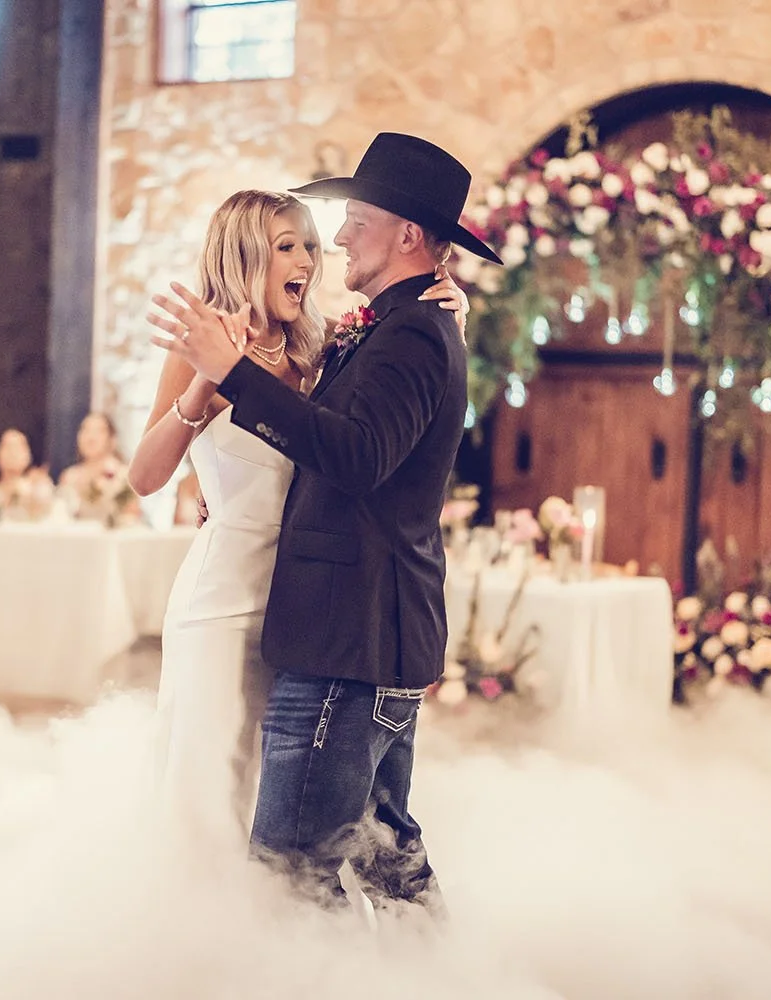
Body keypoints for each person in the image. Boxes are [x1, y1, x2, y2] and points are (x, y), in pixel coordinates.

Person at [150, 133, 499, 915]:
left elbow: (357, 454)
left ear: (409, 234)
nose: (336, 238)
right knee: (383, 852)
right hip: (348, 628)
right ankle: (431, 977)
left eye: (355, 221)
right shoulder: (395, 325)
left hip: (349, 635)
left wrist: (233, 375)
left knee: (293, 870)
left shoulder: (411, 331)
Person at [60, 412, 141, 525]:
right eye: (85, 430)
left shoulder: (124, 475)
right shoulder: (69, 476)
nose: (90, 437)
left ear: (111, 439)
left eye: (98, 431)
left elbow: (132, 516)